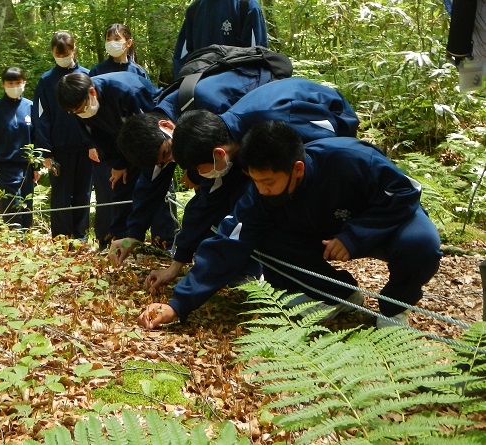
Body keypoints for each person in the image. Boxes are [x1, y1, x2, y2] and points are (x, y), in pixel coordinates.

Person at [138, 120, 442, 330]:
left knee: (422, 243)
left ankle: (394, 308)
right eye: (255, 181)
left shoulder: (348, 158)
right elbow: (228, 245)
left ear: (296, 169)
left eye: (268, 181)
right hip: (318, 236)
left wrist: (355, 236)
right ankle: (336, 294)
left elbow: (405, 191)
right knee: (262, 240)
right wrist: (178, 305)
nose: (261, 189)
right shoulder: (258, 195)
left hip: (378, 225)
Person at [137, 78, 359, 289]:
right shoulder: (229, 141)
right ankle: (311, 286)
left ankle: (331, 292)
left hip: (334, 131)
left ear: (218, 154)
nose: (197, 176)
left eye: (198, 169)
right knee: (251, 215)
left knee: (270, 221)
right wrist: (178, 262)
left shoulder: (271, 123)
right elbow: (207, 202)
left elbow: (332, 146)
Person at [108, 65, 277, 265]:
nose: (173, 160)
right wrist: (133, 235)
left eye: (168, 154)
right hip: (226, 153)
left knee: (240, 203)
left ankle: (249, 268)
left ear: (167, 127)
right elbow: (150, 184)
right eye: (164, 161)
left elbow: (215, 188)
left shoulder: (209, 105)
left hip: (263, 132)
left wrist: (198, 174)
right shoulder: (157, 136)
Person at [56, 71, 164, 242]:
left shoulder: (125, 91)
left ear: (92, 92)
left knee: (154, 186)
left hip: (153, 138)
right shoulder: (80, 110)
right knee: (121, 184)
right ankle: (119, 237)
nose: (80, 113)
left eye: (82, 108)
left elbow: (153, 128)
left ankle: (163, 240)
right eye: (74, 112)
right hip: (121, 141)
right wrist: (118, 164)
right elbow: (97, 138)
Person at [88, 24, 165, 251]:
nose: (113, 42)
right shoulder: (97, 71)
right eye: (109, 39)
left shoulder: (138, 72)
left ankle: (163, 241)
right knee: (117, 192)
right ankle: (112, 240)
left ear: (128, 43)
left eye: (117, 38)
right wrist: (94, 146)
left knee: (155, 187)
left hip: (144, 143)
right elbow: (89, 117)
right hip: (113, 147)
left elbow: (151, 107)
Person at [33, 31, 93, 241]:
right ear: (52, 53)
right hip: (58, 149)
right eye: (58, 54)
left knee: (83, 193)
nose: (62, 57)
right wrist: (45, 151)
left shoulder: (87, 75)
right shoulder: (45, 81)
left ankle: (80, 235)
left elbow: (97, 114)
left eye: (65, 53)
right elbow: (41, 117)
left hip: (86, 146)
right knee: (60, 194)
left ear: (74, 49)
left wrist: (95, 144)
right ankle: (60, 237)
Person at [0, 66, 39, 230]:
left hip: (27, 167)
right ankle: (16, 243)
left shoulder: (31, 106)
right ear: (3, 84)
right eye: (10, 83)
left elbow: (37, 137)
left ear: (24, 83)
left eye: (18, 82)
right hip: (4, 167)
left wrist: (36, 166)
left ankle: (26, 247)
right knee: (12, 210)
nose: (15, 86)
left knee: (26, 209)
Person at [173, 0, 268, 78]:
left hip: (235, 89)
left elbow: (258, 55)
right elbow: (182, 57)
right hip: (198, 86)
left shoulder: (247, 5)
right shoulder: (195, 9)